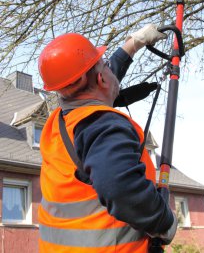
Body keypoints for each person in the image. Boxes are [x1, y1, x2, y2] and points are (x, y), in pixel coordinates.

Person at [38, 24, 177, 253]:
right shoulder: (102, 126)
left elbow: (91, 81)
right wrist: (165, 223)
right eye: (104, 66)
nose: (110, 70)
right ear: (102, 79)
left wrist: (133, 44)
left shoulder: (59, 122)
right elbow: (120, 188)